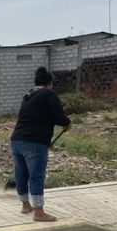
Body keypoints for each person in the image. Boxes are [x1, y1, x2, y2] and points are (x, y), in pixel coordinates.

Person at [10, 67, 71, 222]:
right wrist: (67, 123)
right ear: (50, 83)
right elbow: (58, 116)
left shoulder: (28, 95)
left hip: (17, 139)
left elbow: (33, 118)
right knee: (36, 176)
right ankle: (39, 212)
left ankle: (25, 205)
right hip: (34, 142)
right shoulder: (49, 94)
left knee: (21, 173)